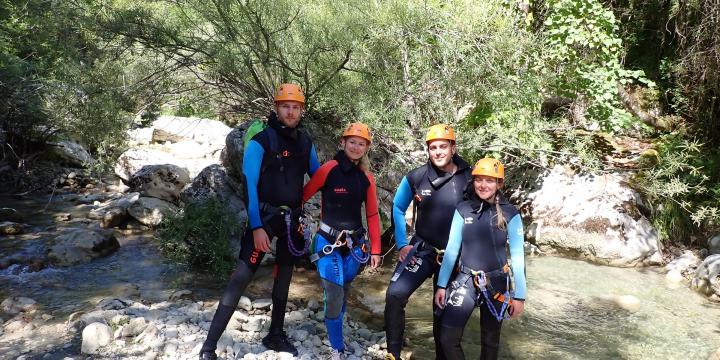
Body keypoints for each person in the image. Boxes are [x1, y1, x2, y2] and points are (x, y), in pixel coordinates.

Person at [199, 83, 320, 360]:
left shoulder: (305, 143)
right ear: (276, 108)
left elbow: (319, 175)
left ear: (301, 111)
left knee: (284, 277)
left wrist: (346, 171)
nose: (290, 112)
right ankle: (209, 346)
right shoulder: (260, 142)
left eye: (295, 107)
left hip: (291, 220)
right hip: (264, 218)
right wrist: (256, 227)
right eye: (285, 106)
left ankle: (275, 335)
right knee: (241, 277)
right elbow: (249, 184)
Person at [384, 124, 472, 360]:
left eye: (443, 146)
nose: (438, 152)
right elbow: (398, 207)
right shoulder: (416, 176)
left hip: (455, 257)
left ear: (453, 148)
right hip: (423, 249)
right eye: (433, 148)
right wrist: (402, 243)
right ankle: (393, 354)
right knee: (395, 295)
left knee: (441, 313)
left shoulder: (471, 178)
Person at [302, 122, 382, 359]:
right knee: (335, 294)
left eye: (361, 144)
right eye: (352, 142)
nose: (356, 147)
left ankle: (336, 327)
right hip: (328, 243)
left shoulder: (366, 177)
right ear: (343, 142)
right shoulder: (329, 169)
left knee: (344, 290)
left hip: (355, 245)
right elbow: (304, 195)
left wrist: (376, 250)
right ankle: (337, 347)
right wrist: (294, 221)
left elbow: (372, 215)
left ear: (366, 148)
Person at [433, 158, 527, 360]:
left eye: (490, 181)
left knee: (490, 343)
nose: (483, 185)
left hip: (497, 283)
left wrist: (519, 296)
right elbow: (451, 250)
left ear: (499, 184)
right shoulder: (463, 209)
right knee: (447, 337)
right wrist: (441, 285)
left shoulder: (511, 214)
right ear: (473, 181)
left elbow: (518, 257)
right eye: (479, 180)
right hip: (465, 280)